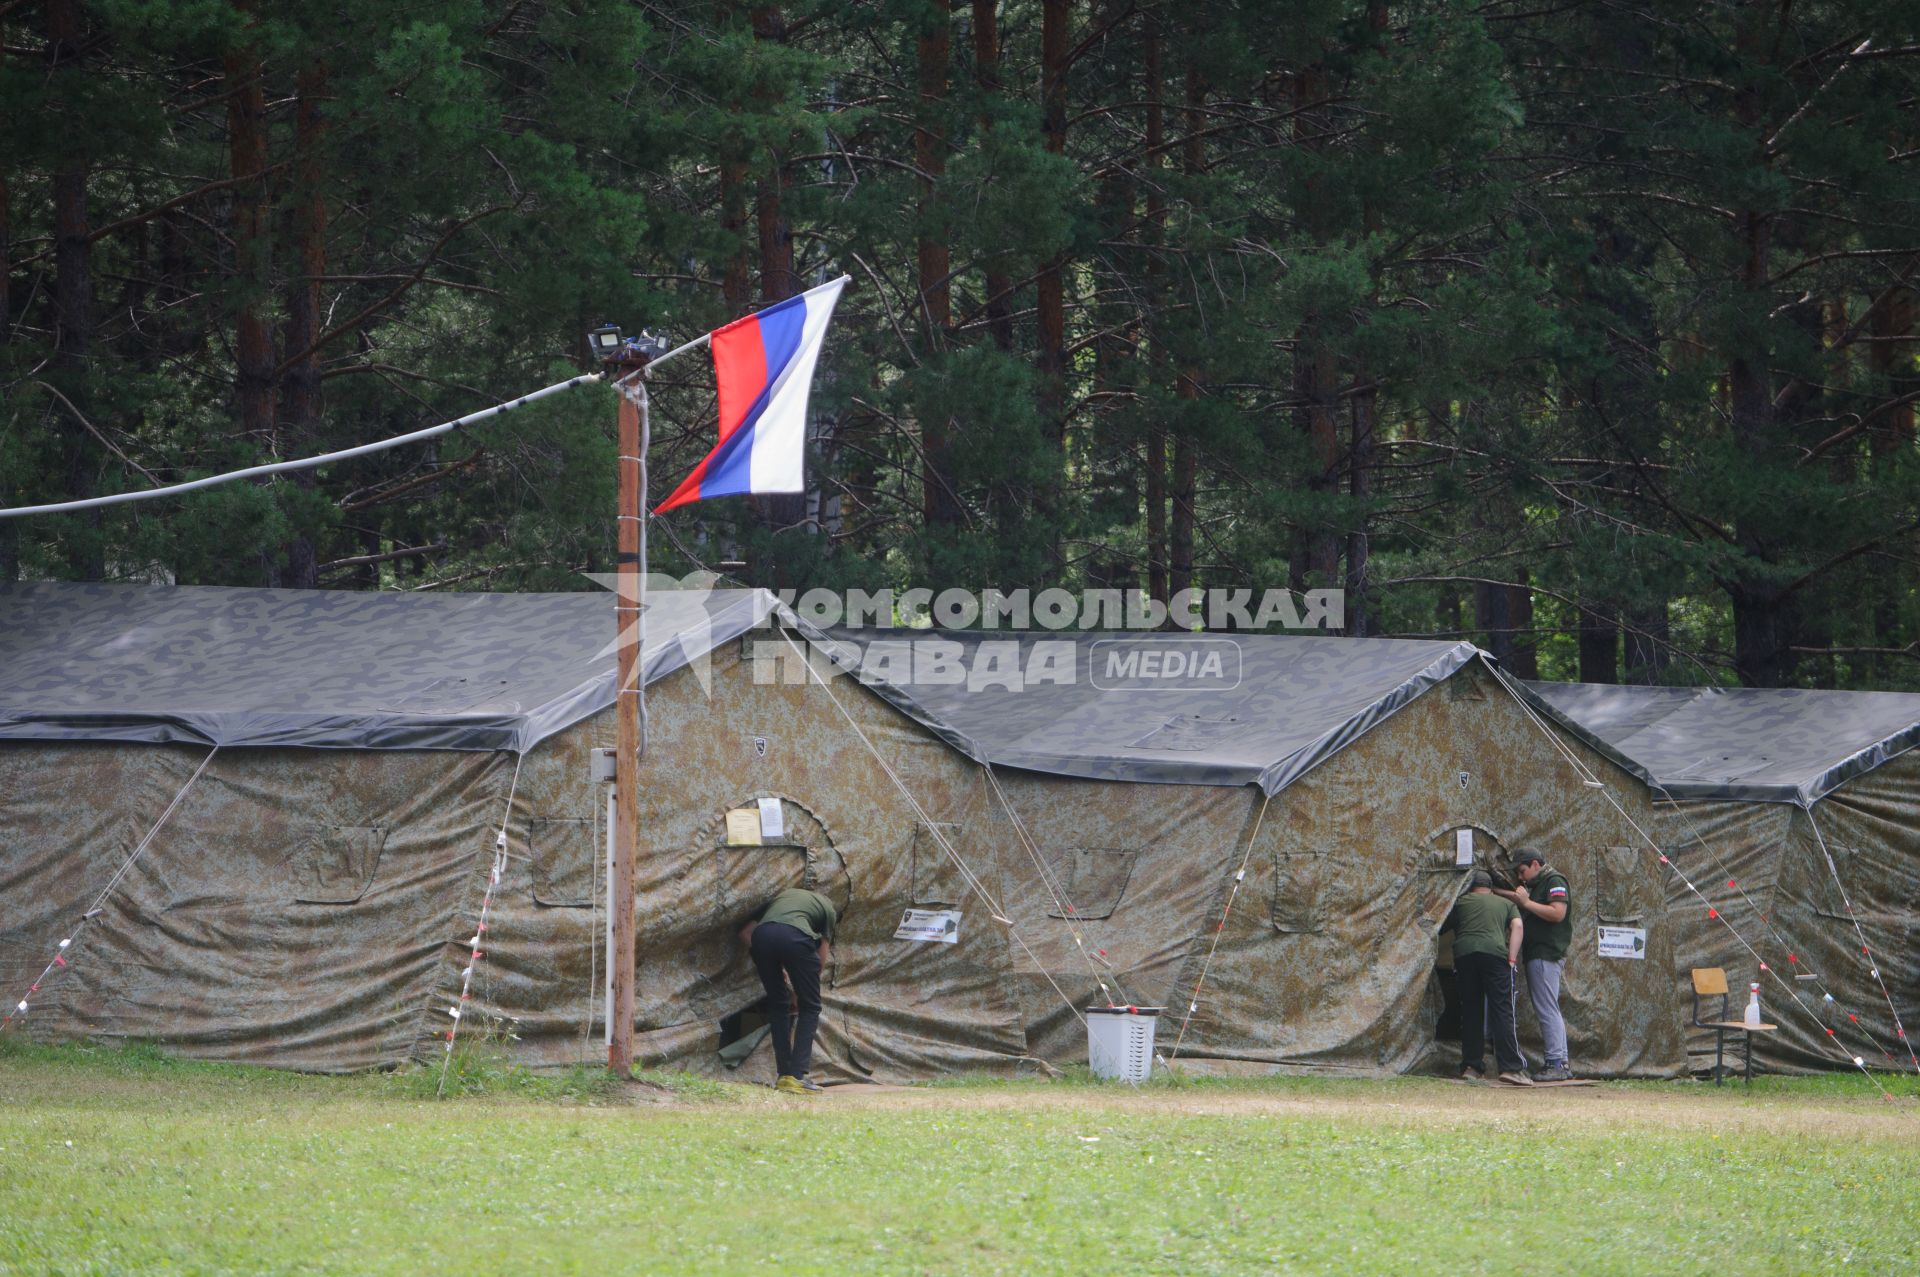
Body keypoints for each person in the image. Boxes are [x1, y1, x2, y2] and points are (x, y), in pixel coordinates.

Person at [739, 885, 836, 1095]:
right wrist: (800, 990)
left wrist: (774, 966)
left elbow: (746, 933)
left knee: (778, 1005)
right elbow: (820, 960)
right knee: (810, 1007)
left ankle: (783, 1075)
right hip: (796, 938)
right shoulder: (827, 907)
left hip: (761, 937)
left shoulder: (780, 898)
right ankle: (797, 1076)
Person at [1441, 870, 1531, 1086]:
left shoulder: (1460, 902)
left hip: (1465, 956)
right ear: (1490, 888)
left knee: (1471, 1010)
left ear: (1470, 887)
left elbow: (1440, 927)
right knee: (1502, 1009)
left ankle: (1471, 1067)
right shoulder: (1505, 904)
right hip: (1495, 956)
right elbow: (1518, 926)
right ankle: (1510, 1068)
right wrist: (1511, 959)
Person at [1495, 849, 1572, 1081]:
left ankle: (1555, 1062)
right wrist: (1496, 891)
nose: (1520, 877)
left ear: (1536, 864)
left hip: (1544, 953)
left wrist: (1527, 903)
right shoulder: (1538, 885)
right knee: (1551, 1007)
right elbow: (1521, 899)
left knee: (1546, 1008)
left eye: (1522, 871)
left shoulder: (1554, 881)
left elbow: (1558, 913)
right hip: (1540, 953)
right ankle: (1563, 1062)